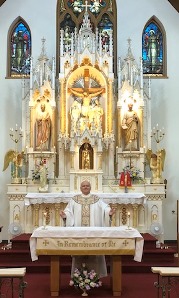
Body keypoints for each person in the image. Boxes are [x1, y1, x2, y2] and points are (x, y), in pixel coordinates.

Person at [60, 180, 116, 278]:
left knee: (94, 253)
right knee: (79, 254)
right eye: (83, 186)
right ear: (80, 188)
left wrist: (109, 213)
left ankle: (95, 276)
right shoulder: (74, 199)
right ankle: (78, 276)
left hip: (94, 234)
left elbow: (105, 208)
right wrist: (65, 215)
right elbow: (68, 211)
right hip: (79, 233)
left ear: (90, 187)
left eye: (87, 186)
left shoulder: (97, 199)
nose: (85, 187)